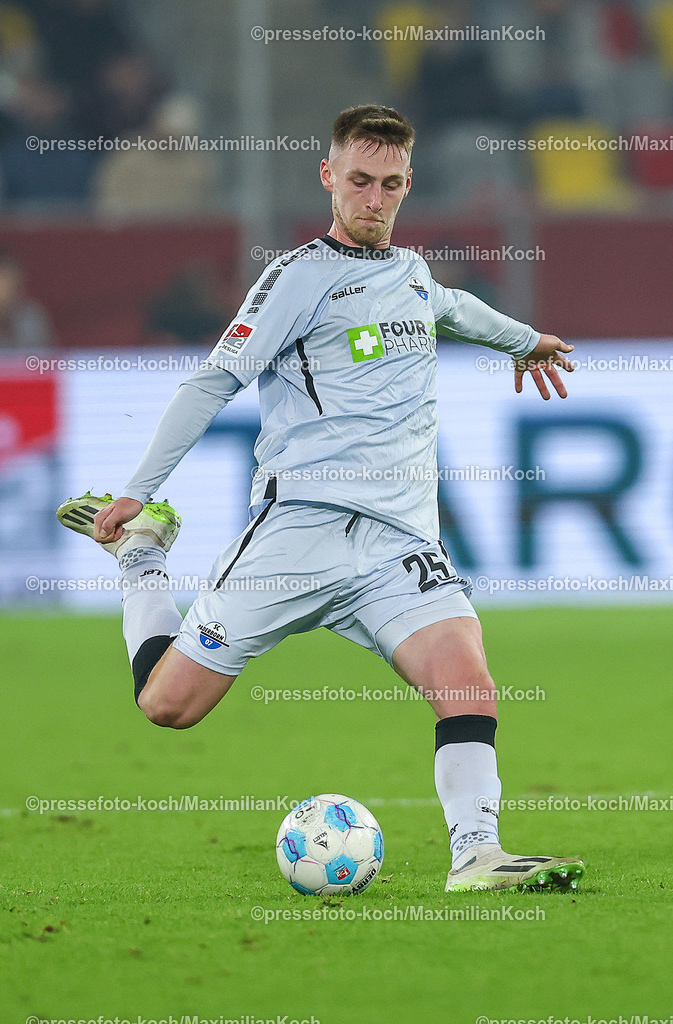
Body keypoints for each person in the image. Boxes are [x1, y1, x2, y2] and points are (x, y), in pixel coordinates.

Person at [57, 105, 584, 893]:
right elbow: (212, 382)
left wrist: (525, 339)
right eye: (360, 181)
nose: (373, 198)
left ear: (409, 185)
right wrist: (138, 494)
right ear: (328, 178)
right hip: (297, 532)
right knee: (167, 706)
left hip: (396, 546)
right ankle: (142, 560)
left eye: (391, 185)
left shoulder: (410, 273)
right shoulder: (296, 279)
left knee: (466, 683)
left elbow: (451, 308)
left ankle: (476, 854)